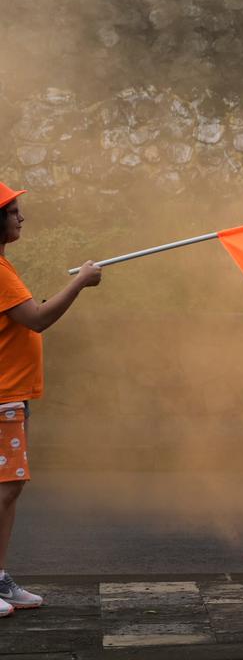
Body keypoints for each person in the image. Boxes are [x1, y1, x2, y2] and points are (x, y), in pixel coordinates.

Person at [0, 181, 102, 617]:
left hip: (11, 396)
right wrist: (79, 282)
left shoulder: (5, 268)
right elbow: (36, 320)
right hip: (2, 396)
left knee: (10, 487)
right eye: (12, 211)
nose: (21, 217)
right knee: (4, 489)